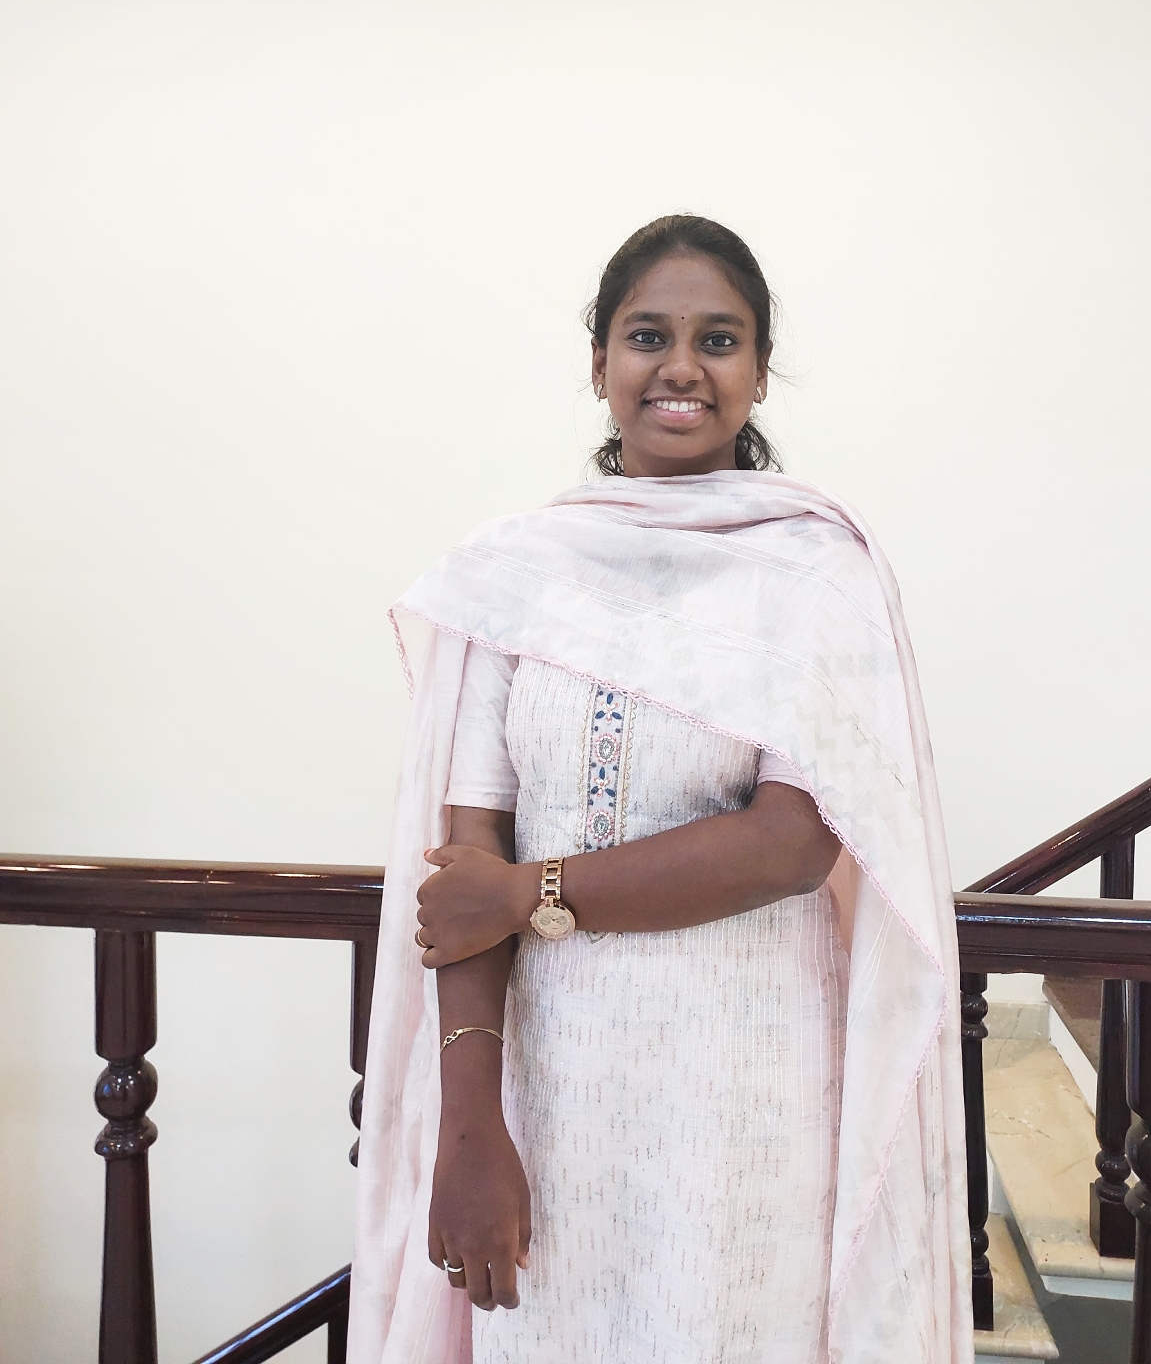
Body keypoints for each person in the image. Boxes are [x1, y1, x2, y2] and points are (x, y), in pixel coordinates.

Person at [347, 216, 971, 1364]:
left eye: (718, 339)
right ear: (600, 364)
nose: (681, 366)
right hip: (549, 1090)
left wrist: (530, 892)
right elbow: (467, 865)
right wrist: (470, 1125)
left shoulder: (815, 572)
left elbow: (790, 844)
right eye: (648, 336)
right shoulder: (517, 574)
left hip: (747, 1098)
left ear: (759, 372)